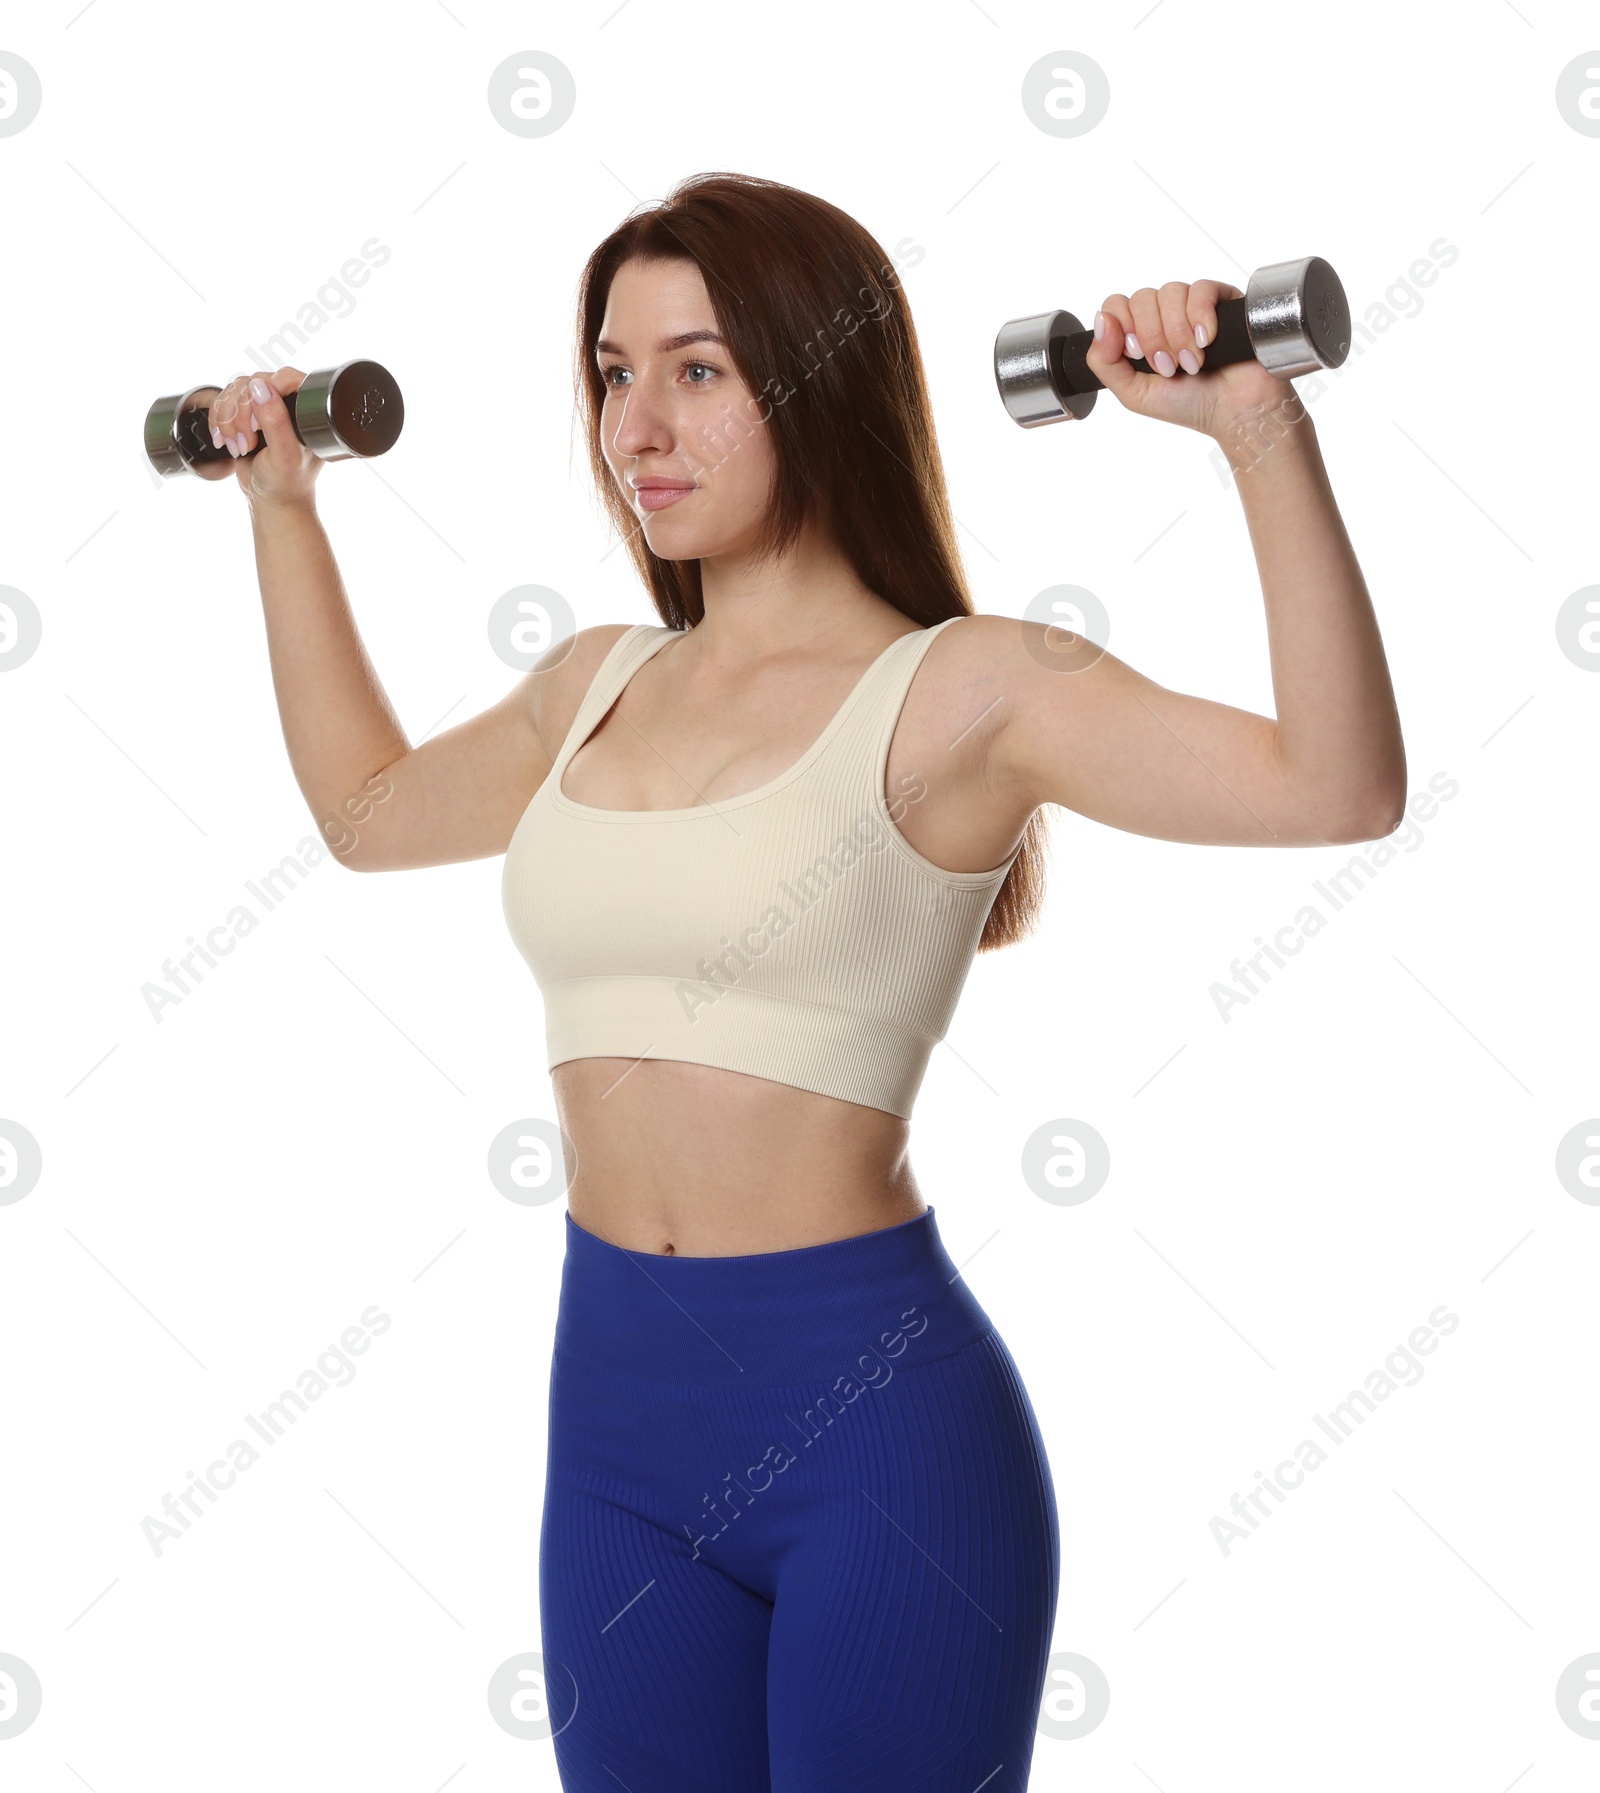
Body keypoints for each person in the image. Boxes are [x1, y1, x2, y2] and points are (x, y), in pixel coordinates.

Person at [206, 171, 1404, 1791]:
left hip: (879, 1442)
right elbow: (364, 814)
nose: (641, 424)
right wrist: (283, 509)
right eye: (616, 373)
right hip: (616, 1440)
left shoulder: (969, 689)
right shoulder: (594, 685)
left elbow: (1335, 786)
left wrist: (1259, 430)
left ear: (818, 378)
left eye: (699, 370)